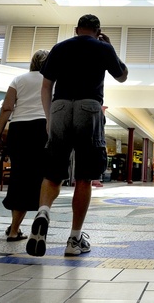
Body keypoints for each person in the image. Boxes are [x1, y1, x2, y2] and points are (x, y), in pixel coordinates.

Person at [26, 14, 128, 257]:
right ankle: (74, 239)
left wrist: (50, 118)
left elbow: (45, 85)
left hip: (60, 106)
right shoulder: (103, 47)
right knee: (84, 175)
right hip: (89, 107)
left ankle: (43, 211)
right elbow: (122, 76)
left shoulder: (60, 47)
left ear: (76, 30)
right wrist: (110, 47)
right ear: (98, 30)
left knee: (53, 171)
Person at [0, 49, 49, 242]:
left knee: (19, 176)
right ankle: (40, 217)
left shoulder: (18, 79)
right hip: (42, 128)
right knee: (41, 176)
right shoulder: (52, 79)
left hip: (19, 129)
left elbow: (7, 107)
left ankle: (14, 228)